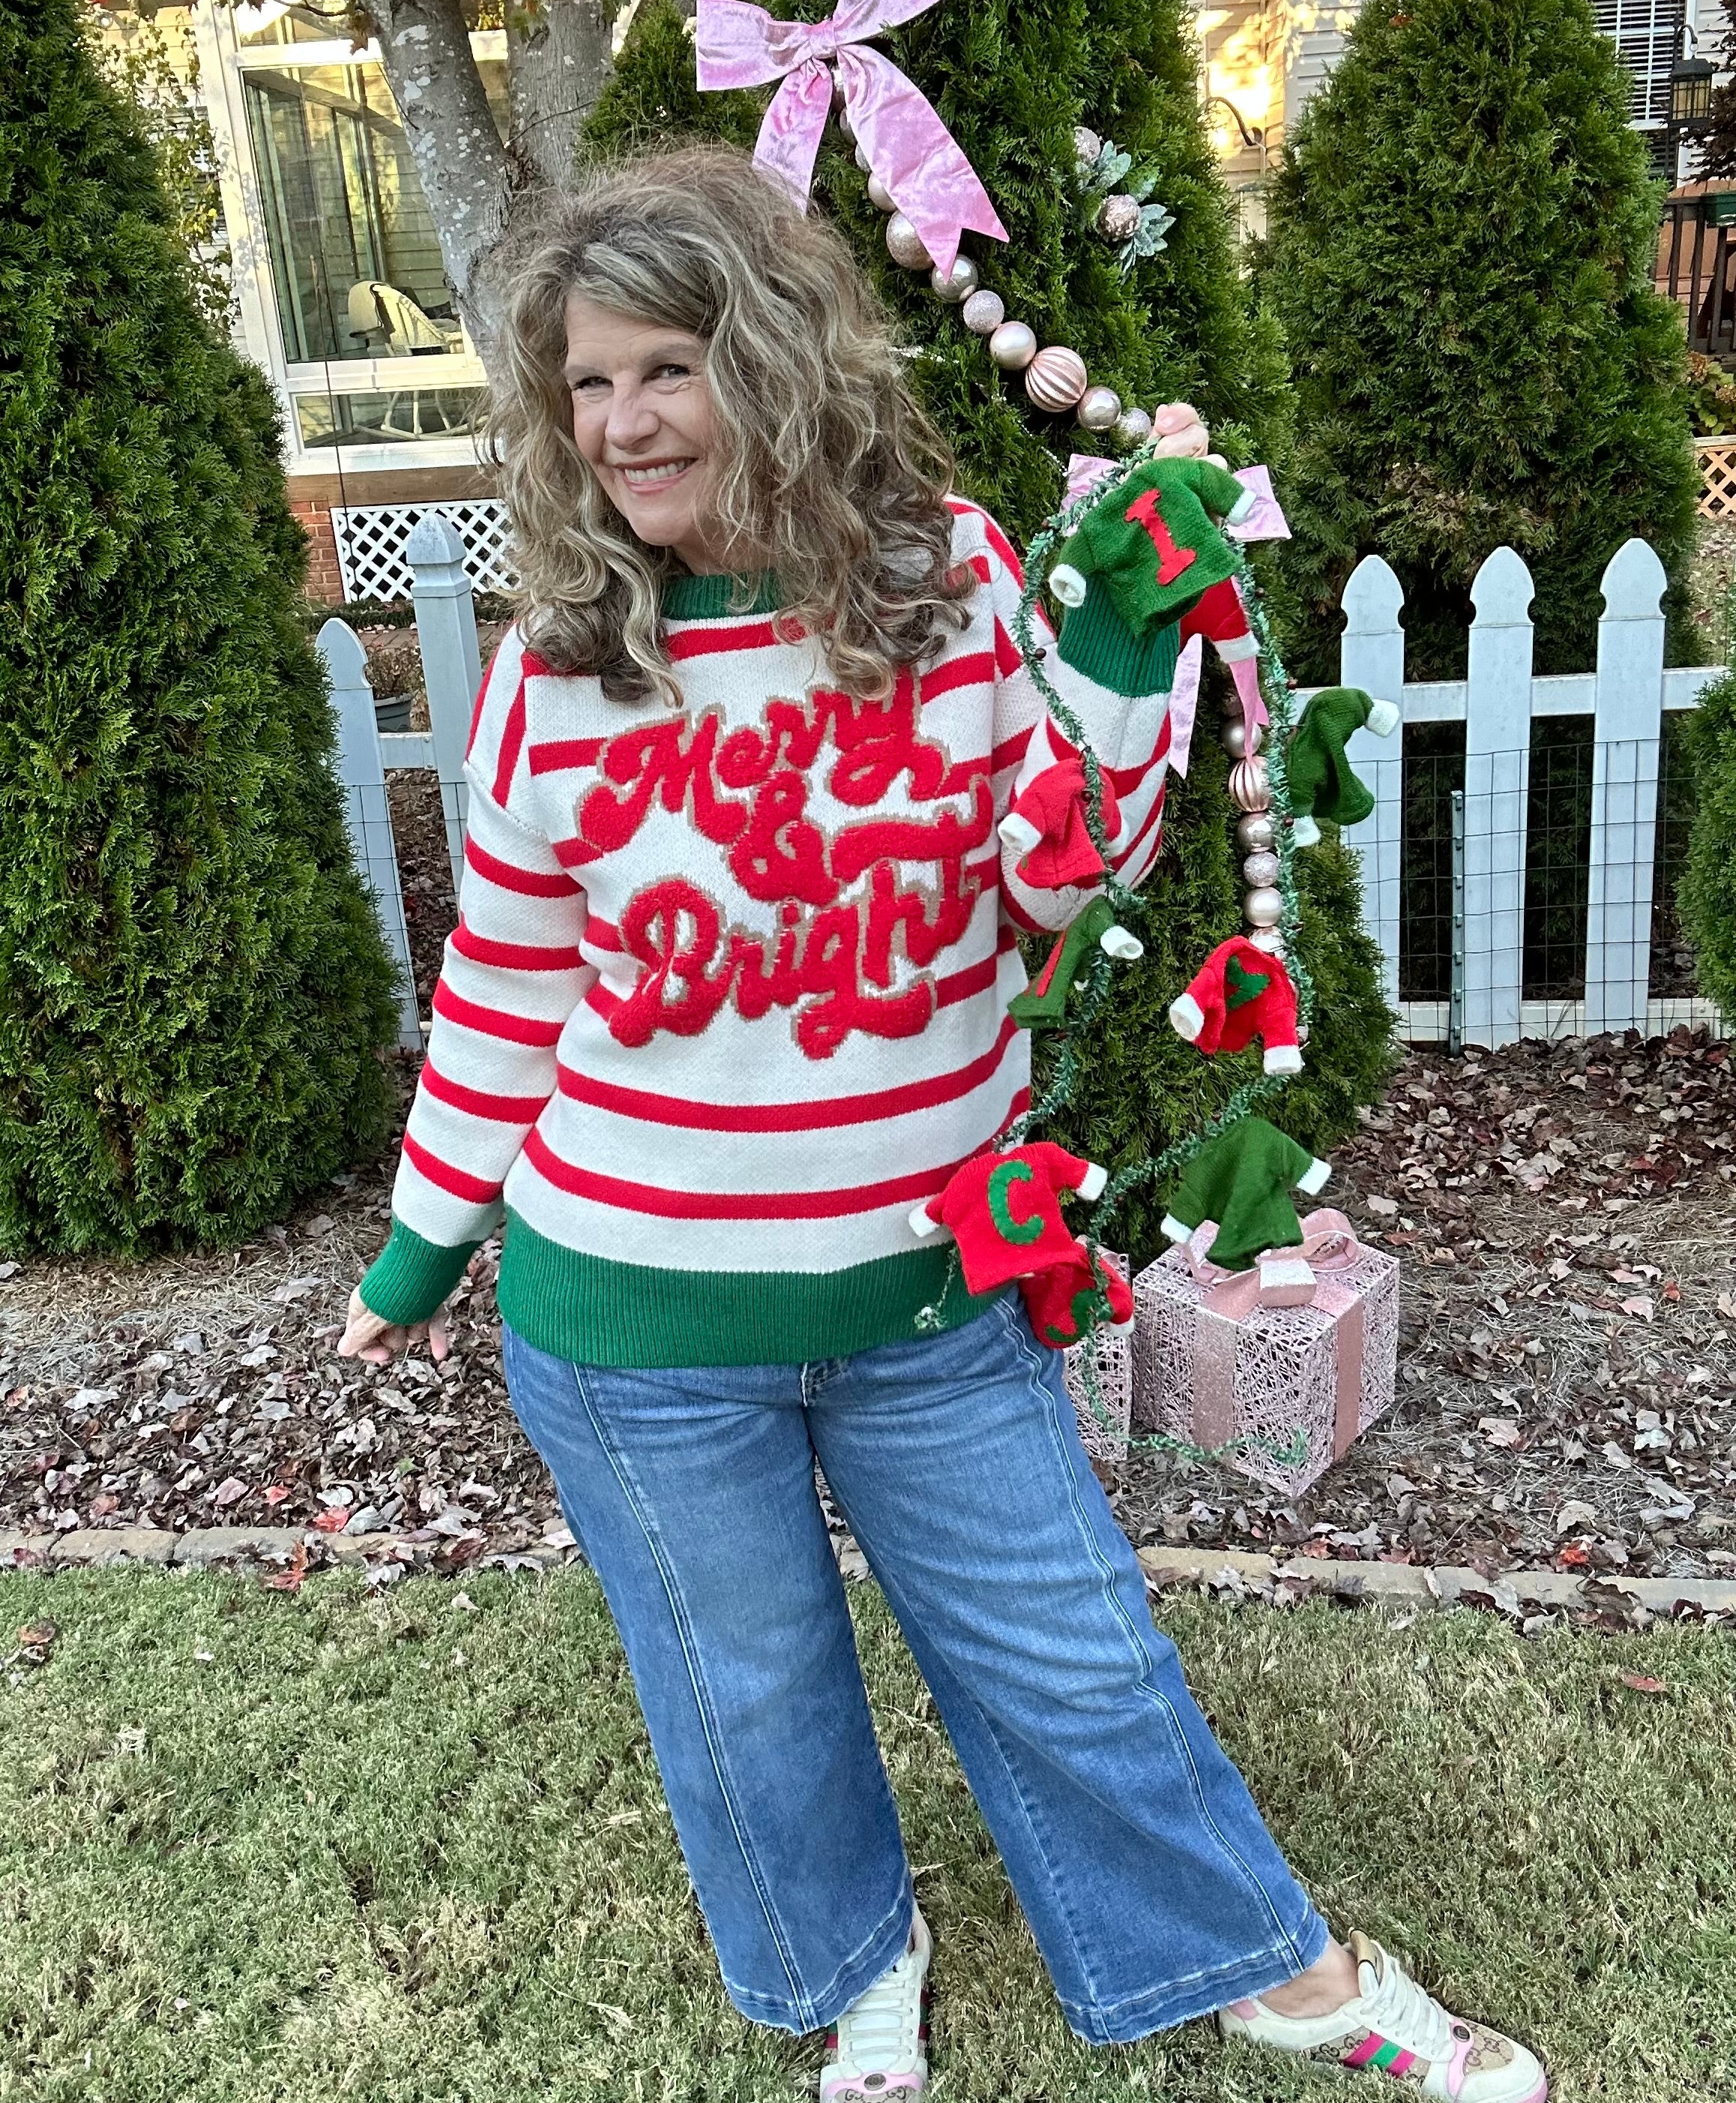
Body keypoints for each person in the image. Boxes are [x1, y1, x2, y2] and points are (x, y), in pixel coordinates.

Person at [340, 146, 1547, 2103]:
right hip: (632, 1319)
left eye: (668, 365)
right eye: (588, 383)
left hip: (925, 1296)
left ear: (770, 358)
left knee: (1076, 1662)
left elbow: (1058, 884)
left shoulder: (947, 583)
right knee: (748, 1701)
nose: (627, 419)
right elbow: (503, 989)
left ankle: (1275, 1970)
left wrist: (1120, 668)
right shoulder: (560, 679)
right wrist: (422, 1243)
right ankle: (851, 1962)